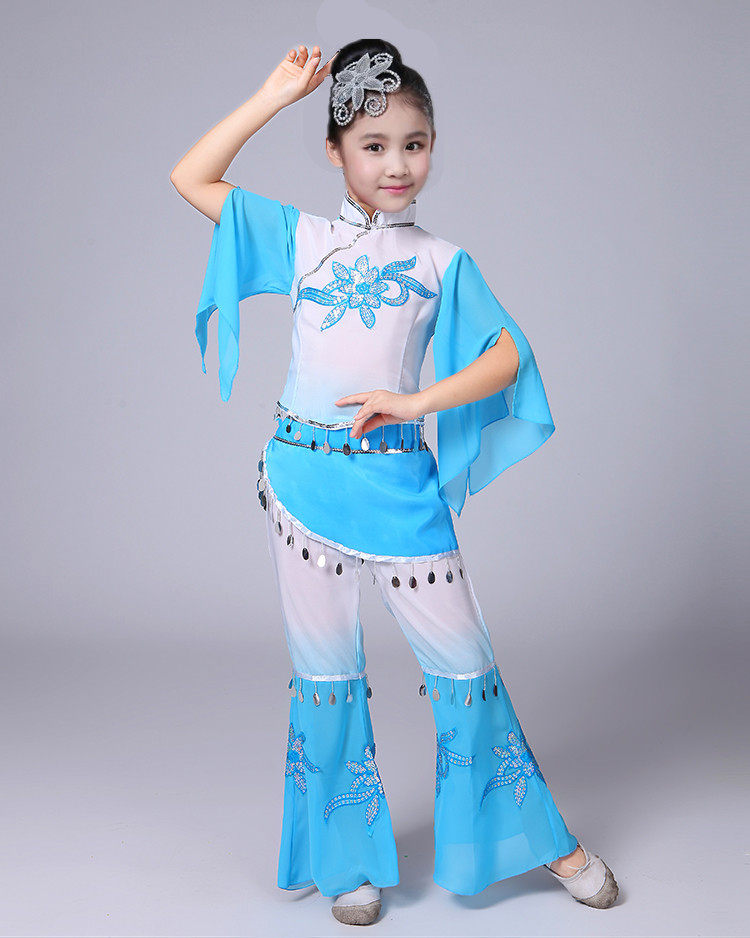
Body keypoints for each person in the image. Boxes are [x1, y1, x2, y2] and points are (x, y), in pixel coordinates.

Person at [171, 37, 619, 927]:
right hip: (302, 488)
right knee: (325, 676)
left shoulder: (443, 262)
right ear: (335, 151)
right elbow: (191, 176)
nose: (396, 164)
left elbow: (508, 357)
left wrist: (417, 402)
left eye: (414, 144)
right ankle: (346, 862)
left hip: (401, 488)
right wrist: (273, 95)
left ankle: (546, 841)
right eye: (373, 146)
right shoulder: (300, 239)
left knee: (467, 669)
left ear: (432, 147)